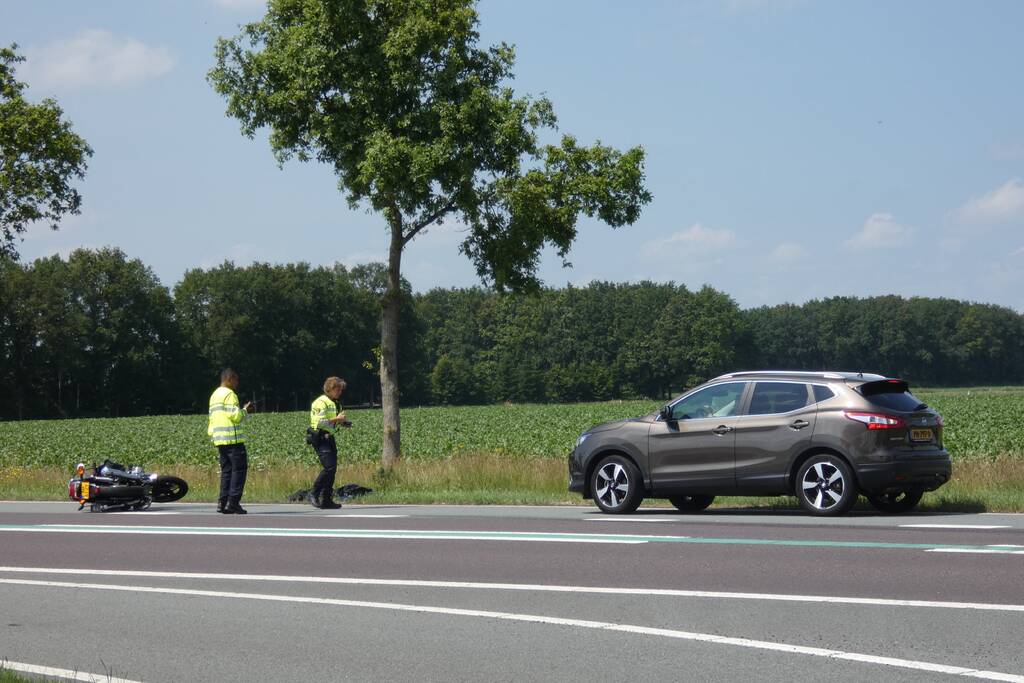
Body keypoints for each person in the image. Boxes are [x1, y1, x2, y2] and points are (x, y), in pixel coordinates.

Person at [208, 368, 253, 514]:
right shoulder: (229, 394)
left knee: (226, 471)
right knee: (239, 470)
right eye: (236, 380)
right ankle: (233, 503)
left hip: (219, 439)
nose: (237, 383)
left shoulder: (214, 395)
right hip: (233, 439)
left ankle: (222, 503)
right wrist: (245, 410)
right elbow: (236, 416)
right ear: (230, 379)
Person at [308, 376, 351, 509]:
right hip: (320, 437)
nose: (340, 392)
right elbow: (319, 423)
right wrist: (337, 419)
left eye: (341, 390)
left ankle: (326, 499)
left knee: (333, 469)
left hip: (329, 437)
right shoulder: (320, 402)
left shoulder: (335, 403)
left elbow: (333, 421)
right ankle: (313, 493)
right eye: (338, 390)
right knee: (329, 467)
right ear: (330, 389)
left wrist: (344, 423)